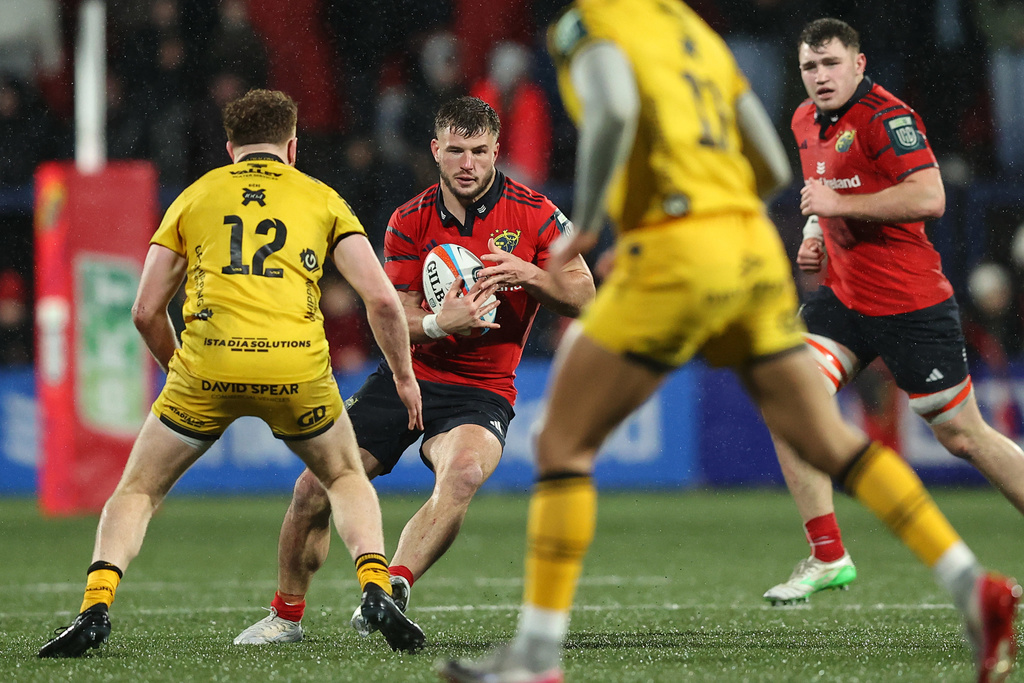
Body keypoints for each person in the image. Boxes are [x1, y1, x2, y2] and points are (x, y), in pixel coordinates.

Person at [438, 3, 1019, 682]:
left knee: (561, 442)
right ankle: (970, 584)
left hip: (678, 253)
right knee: (829, 440)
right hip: (748, 247)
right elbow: (768, 164)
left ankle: (536, 657)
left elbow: (616, 111)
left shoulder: (591, 23)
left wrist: (590, 226)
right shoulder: (693, 29)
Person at [37, 89, 426, 658]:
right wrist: (404, 377)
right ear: (292, 147)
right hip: (294, 365)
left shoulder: (197, 196)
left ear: (230, 148)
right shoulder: (321, 198)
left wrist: (181, 371)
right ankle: (374, 587)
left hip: (208, 365)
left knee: (138, 489)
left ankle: (95, 608)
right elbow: (384, 301)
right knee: (345, 477)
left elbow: (144, 310)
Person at [232, 95, 594, 645]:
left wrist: (530, 274)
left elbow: (586, 295)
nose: (467, 163)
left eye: (479, 151)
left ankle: (392, 589)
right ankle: (285, 617)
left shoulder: (536, 213)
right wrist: (441, 322)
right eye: (456, 151)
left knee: (463, 474)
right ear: (435, 150)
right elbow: (393, 313)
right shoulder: (409, 219)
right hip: (407, 376)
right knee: (313, 486)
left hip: (482, 389)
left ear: (496, 151)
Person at [762, 17, 1024, 608]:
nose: (821, 76)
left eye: (832, 63)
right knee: (787, 400)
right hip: (843, 298)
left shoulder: (887, 118)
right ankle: (828, 555)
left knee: (964, 437)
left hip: (910, 303)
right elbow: (823, 189)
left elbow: (930, 195)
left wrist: (836, 204)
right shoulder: (804, 119)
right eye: (810, 66)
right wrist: (815, 232)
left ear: (858, 64)